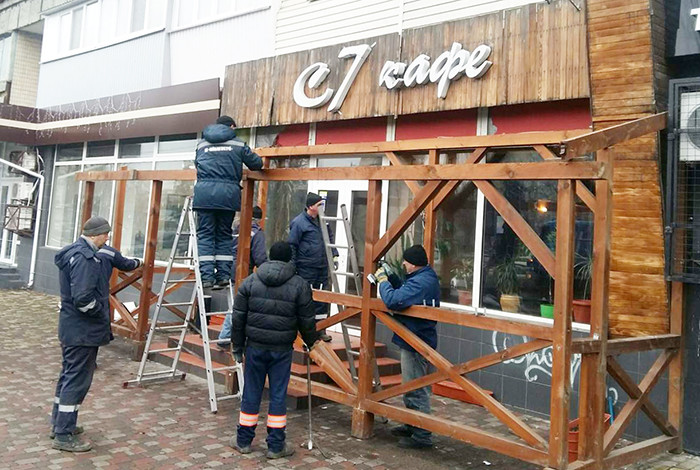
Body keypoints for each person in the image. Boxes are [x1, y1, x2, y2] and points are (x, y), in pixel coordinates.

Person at [52, 216, 141, 452]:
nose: (107, 238)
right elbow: (83, 299)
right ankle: (63, 434)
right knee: (77, 379)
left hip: (72, 328)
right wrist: (99, 313)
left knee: (68, 375)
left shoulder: (74, 252)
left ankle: (60, 423)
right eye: (105, 234)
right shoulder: (86, 258)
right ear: (95, 235)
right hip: (82, 330)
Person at [230, 241, 319, 459]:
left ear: (270, 257)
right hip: (281, 349)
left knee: (251, 391)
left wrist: (237, 346)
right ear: (289, 259)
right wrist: (311, 342)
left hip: (255, 347)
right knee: (278, 395)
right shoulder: (299, 285)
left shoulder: (250, 281)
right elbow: (307, 319)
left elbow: (238, 318)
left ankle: (243, 441)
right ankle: (276, 446)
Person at [374, 244, 440, 449]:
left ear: (414, 264)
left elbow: (393, 300)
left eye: (406, 261)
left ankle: (422, 434)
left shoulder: (421, 282)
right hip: (415, 337)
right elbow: (405, 291)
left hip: (415, 340)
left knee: (415, 387)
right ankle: (412, 423)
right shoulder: (424, 277)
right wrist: (393, 278)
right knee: (411, 385)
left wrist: (383, 281)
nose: (403, 263)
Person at [194, 115, 263, 289]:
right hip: (227, 196)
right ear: (231, 127)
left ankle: (207, 277)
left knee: (205, 235)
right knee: (224, 235)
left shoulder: (202, 144)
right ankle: (224, 276)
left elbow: (197, 165)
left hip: (204, 196)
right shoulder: (237, 144)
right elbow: (256, 164)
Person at [288, 192, 338, 342]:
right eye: (319, 204)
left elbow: (329, 239)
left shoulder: (323, 221)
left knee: (321, 300)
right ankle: (305, 333)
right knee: (306, 299)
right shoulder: (299, 223)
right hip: (306, 267)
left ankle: (320, 329)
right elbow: (292, 245)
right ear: (310, 206)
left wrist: (334, 255)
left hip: (322, 267)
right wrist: (292, 266)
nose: (322, 207)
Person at [217, 205, 267, 348]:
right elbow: (260, 257)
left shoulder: (235, 229)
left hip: (226, 269)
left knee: (235, 303)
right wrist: (268, 271)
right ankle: (225, 337)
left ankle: (233, 336)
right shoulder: (256, 233)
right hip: (242, 272)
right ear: (259, 219)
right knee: (237, 305)